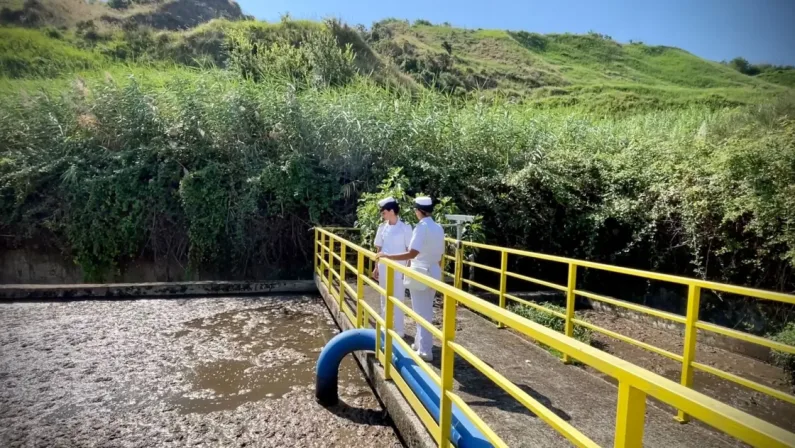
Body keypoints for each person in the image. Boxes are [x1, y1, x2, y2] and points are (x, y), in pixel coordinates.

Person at [376, 196, 444, 362]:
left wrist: (388, 256)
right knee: (425, 309)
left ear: (419, 211)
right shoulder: (438, 227)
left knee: (421, 312)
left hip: (421, 270)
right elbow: (441, 255)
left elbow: (412, 252)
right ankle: (420, 344)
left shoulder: (420, 228)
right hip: (434, 269)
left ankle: (425, 350)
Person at [372, 197, 413, 338]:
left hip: (399, 269)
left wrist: (407, 270)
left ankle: (400, 329)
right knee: (384, 297)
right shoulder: (382, 227)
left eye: (383, 212)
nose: (382, 216)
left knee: (399, 299)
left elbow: (410, 251)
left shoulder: (405, 228)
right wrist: (376, 267)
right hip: (384, 267)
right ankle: (385, 325)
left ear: (391, 211)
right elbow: (379, 249)